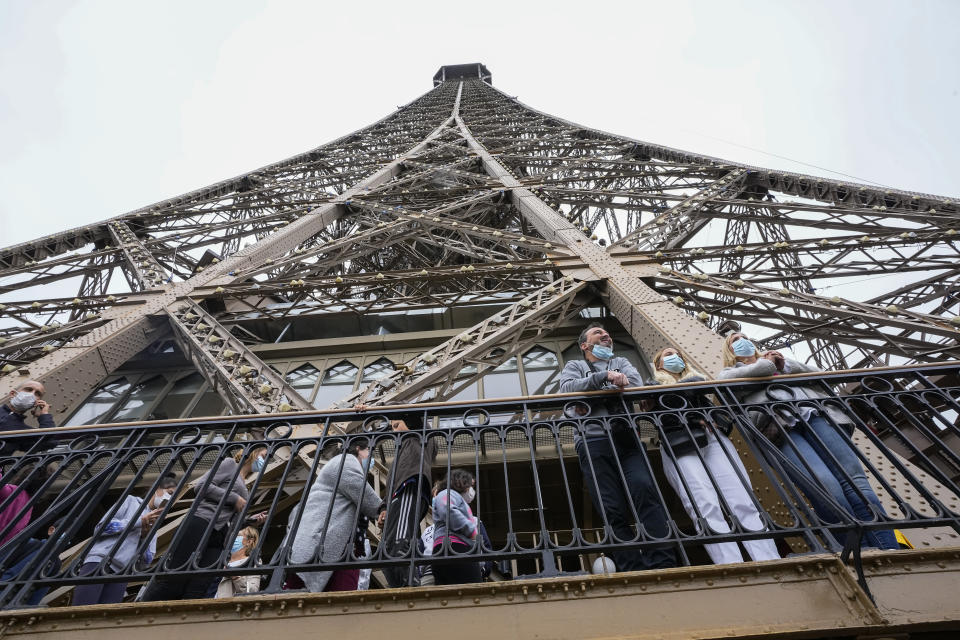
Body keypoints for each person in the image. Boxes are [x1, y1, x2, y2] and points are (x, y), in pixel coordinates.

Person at [717, 332, 898, 550]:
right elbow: (733, 384)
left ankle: (887, 548)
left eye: (744, 337)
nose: (741, 341)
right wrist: (768, 363)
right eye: (735, 341)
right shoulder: (729, 373)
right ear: (729, 351)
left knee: (857, 483)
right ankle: (856, 551)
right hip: (779, 427)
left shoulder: (780, 363)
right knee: (825, 488)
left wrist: (784, 365)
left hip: (817, 415)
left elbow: (819, 374)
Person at [558, 323, 677, 572]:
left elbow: (633, 386)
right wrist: (605, 378)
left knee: (645, 490)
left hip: (626, 438)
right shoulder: (575, 366)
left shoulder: (622, 361)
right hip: (593, 442)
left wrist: (589, 394)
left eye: (607, 333)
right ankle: (630, 565)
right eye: (598, 333)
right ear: (584, 345)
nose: (606, 335)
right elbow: (566, 391)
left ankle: (663, 561)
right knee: (611, 505)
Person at [651, 348, 779, 565]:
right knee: (704, 504)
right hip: (680, 442)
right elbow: (667, 401)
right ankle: (730, 564)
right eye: (668, 355)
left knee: (742, 500)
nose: (676, 358)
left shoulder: (697, 379)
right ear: (659, 365)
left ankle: (768, 559)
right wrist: (692, 398)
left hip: (713, 437)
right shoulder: (653, 384)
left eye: (679, 356)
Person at [142, 446, 267, 601]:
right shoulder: (230, 465)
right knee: (176, 575)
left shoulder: (245, 482)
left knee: (201, 583)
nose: (265, 460)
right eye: (263, 455)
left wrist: (250, 520)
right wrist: (234, 498)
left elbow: (229, 514)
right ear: (253, 453)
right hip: (202, 521)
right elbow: (202, 485)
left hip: (221, 535)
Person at [289, 439, 380, 592]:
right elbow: (360, 488)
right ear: (358, 449)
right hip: (328, 545)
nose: (371, 459)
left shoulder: (339, 465)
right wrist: (382, 509)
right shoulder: (346, 461)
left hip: (339, 546)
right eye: (368, 453)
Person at [71, 474, 176, 606]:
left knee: (104, 619)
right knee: (83, 608)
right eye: (169, 493)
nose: (170, 498)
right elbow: (101, 528)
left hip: (121, 573)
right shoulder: (130, 501)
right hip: (99, 561)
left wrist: (144, 537)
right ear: (157, 489)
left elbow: (145, 562)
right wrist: (138, 522)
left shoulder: (155, 521)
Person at [376, 415, 437, 588]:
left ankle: (409, 588)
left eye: (397, 425)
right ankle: (401, 588)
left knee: (399, 543)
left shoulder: (419, 436)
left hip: (409, 488)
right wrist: (384, 507)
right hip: (398, 495)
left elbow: (408, 411)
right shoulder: (401, 451)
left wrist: (375, 410)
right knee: (386, 551)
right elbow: (393, 482)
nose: (394, 430)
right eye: (392, 427)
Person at [431, 469, 483, 585]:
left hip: (449, 547)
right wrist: (472, 531)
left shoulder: (452, 497)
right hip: (454, 546)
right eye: (470, 485)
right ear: (461, 482)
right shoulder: (447, 493)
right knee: (474, 589)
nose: (471, 490)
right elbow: (449, 511)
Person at [1, 380, 55, 456]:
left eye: (37, 393)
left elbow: (50, 441)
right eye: (29, 389)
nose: (31, 394)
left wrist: (44, 415)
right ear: (12, 394)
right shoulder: (22, 431)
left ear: (36, 402)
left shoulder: (23, 430)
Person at [215, 526, 261, 598]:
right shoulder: (222, 560)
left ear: (249, 542)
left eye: (238, 536)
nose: (232, 539)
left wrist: (235, 576)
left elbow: (252, 591)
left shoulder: (252, 562)